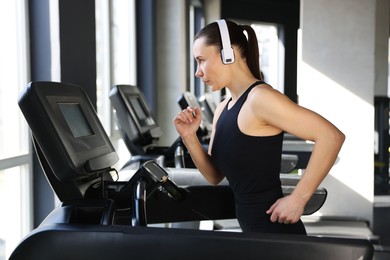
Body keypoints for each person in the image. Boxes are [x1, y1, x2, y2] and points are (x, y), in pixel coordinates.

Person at [173, 19, 345, 235]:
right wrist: (190, 137)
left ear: (229, 53)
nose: (198, 72)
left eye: (201, 60)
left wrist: (298, 199)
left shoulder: (260, 99)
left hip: (275, 234)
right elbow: (214, 176)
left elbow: (331, 137)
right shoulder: (223, 108)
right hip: (254, 233)